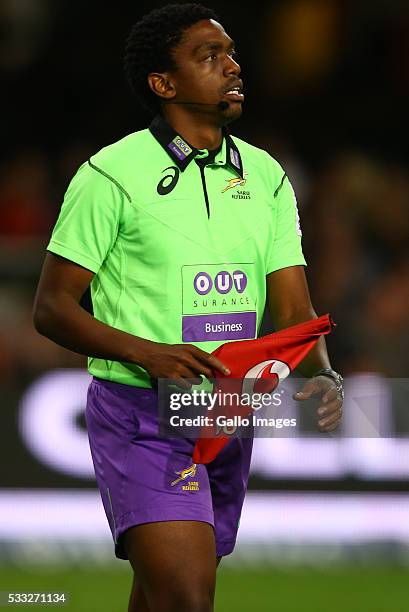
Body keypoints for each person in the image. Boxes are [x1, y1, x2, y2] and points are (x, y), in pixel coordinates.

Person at [33, 4, 343, 611]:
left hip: (226, 414)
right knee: (186, 597)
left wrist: (321, 369)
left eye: (230, 54)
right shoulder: (110, 175)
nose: (231, 67)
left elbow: (291, 303)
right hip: (140, 414)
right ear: (163, 83)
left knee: (160, 597)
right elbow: (51, 308)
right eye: (209, 56)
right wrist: (147, 353)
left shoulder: (268, 177)